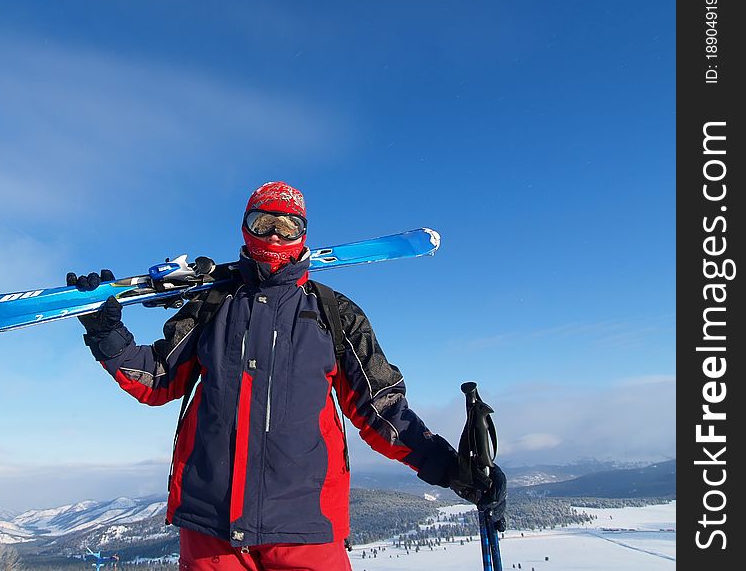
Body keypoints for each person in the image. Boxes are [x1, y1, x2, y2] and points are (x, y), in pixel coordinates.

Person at [71, 181, 506, 571]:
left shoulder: (336, 315)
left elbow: (381, 410)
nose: (274, 235)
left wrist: (450, 467)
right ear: (245, 229)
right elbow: (160, 379)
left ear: (303, 234)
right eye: (262, 222)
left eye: (287, 225)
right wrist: (107, 333)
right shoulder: (212, 305)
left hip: (304, 526)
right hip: (211, 529)